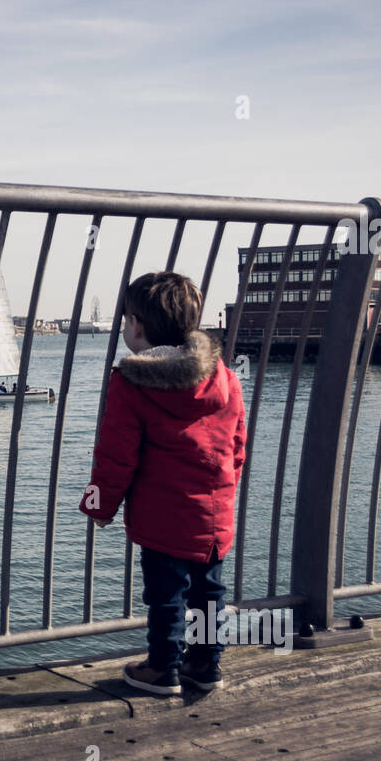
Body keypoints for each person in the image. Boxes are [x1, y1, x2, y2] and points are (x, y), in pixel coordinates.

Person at [78, 271, 246, 696]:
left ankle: (162, 668)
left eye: (126, 321)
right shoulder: (225, 377)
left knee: (166, 594)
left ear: (137, 326)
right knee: (210, 590)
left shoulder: (132, 382)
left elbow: (116, 457)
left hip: (163, 517)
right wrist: (224, 489)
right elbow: (238, 444)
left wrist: (100, 508)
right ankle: (206, 665)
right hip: (214, 513)